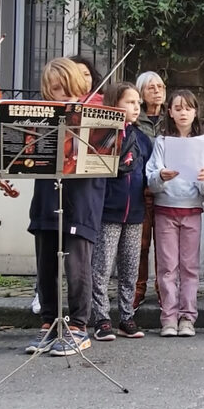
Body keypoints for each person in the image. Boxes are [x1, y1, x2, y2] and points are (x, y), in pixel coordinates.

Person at [24, 58, 107, 356]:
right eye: (57, 90)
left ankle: (78, 326)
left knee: (77, 265)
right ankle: (48, 323)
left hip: (82, 197)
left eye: (70, 90)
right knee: (46, 262)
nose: (65, 96)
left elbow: (113, 156)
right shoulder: (40, 114)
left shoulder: (98, 111)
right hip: (47, 194)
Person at [146, 90, 204, 337]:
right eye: (177, 108)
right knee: (167, 267)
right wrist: (160, 177)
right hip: (165, 209)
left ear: (195, 112)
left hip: (192, 210)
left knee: (189, 267)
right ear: (170, 112)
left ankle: (188, 317)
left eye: (187, 108)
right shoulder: (162, 142)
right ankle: (168, 318)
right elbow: (151, 178)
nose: (183, 112)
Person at [90, 82, 153, 341]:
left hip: (136, 212)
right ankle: (102, 318)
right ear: (114, 104)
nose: (136, 107)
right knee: (102, 267)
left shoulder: (142, 138)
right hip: (108, 211)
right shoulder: (102, 135)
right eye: (130, 102)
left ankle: (127, 316)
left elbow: (148, 171)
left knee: (130, 268)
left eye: (138, 103)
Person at [133, 71, 167, 309]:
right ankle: (138, 288)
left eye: (160, 86)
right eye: (151, 87)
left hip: (166, 190)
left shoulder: (171, 118)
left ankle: (163, 289)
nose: (157, 91)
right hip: (140, 189)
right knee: (141, 243)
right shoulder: (135, 120)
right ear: (141, 94)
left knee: (165, 244)